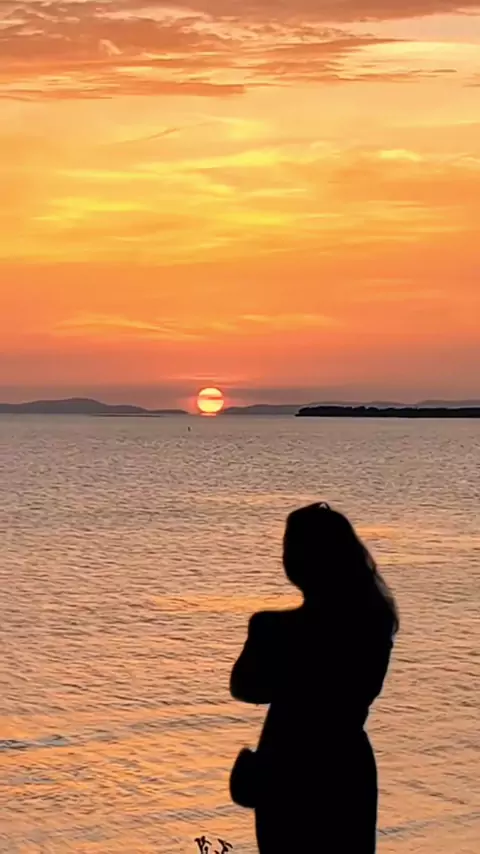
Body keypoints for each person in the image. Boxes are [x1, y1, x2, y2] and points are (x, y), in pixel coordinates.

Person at [230, 502, 399, 853]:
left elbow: (244, 687)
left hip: (287, 769)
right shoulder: (374, 623)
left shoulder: (273, 628)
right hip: (346, 768)